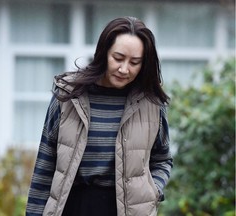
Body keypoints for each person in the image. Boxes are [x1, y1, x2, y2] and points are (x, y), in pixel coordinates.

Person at [26, 16, 173, 216]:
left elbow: (162, 159)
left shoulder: (152, 103)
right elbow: (45, 165)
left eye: (134, 62)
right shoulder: (69, 96)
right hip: (72, 207)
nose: (124, 69)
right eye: (118, 58)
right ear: (104, 53)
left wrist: (152, 189)